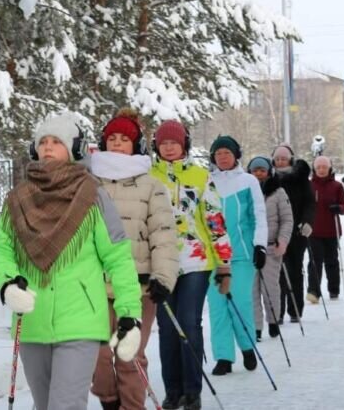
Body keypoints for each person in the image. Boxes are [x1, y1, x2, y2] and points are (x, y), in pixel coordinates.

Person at [0, 112, 143, 410]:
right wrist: (7, 283)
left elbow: (118, 257)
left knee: (66, 405)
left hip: (81, 320)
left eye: (56, 142)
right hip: (31, 318)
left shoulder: (94, 196)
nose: (47, 147)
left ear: (73, 150)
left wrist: (129, 315)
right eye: (43, 141)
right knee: (44, 404)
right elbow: (1, 248)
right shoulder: (18, 198)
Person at [89, 108, 178, 410]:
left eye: (124, 139)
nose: (116, 144)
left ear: (136, 145)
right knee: (98, 354)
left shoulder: (151, 185)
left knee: (130, 357)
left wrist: (164, 278)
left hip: (139, 288)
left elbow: (164, 234)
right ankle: (109, 400)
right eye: (111, 138)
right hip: (94, 286)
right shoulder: (89, 182)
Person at [150, 120, 232, 410]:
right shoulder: (148, 176)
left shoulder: (200, 175)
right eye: (164, 142)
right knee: (167, 327)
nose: (169, 147)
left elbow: (214, 219)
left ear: (184, 144)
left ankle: (192, 390)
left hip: (195, 260)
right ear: (156, 146)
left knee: (189, 322)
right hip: (160, 262)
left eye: (174, 142)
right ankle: (173, 391)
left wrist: (224, 264)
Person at [206, 135, 266, 377]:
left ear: (235, 156)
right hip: (212, 256)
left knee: (239, 302)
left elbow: (259, 215)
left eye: (227, 153)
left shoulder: (248, 181)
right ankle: (223, 357)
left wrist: (260, 245)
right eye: (218, 153)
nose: (222, 157)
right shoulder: (206, 181)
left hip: (241, 254)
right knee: (218, 307)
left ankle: (247, 347)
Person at [247, 156, 293, 341]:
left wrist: (282, 241)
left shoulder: (278, 192)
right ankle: (256, 327)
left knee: (270, 287)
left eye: (262, 170)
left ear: (268, 172)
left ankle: (273, 321)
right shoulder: (245, 190)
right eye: (255, 170)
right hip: (248, 248)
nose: (258, 174)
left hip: (271, 247)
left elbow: (287, 219)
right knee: (251, 289)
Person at [270, 144, 315, 324]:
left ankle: (295, 309)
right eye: (277, 159)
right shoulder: (268, 178)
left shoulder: (301, 179)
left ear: (290, 159)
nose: (280, 162)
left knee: (295, 270)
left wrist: (307, 222)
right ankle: (277, 312)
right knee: (276, 272)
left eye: (284, 159)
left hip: (296, 231)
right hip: (274, 232)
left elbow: (310, 203)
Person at [306, 156, 344, 303]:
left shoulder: (337, 186)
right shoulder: (309, 185)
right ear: (314, 169)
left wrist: (339, 208)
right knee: (314, 261)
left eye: (324, 167)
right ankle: (313, 291)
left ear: (329, 168)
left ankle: (334, 289)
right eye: (319, 168)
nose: (322, 170)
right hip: (313, 231)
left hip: (331, 230)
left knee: (331, 261)